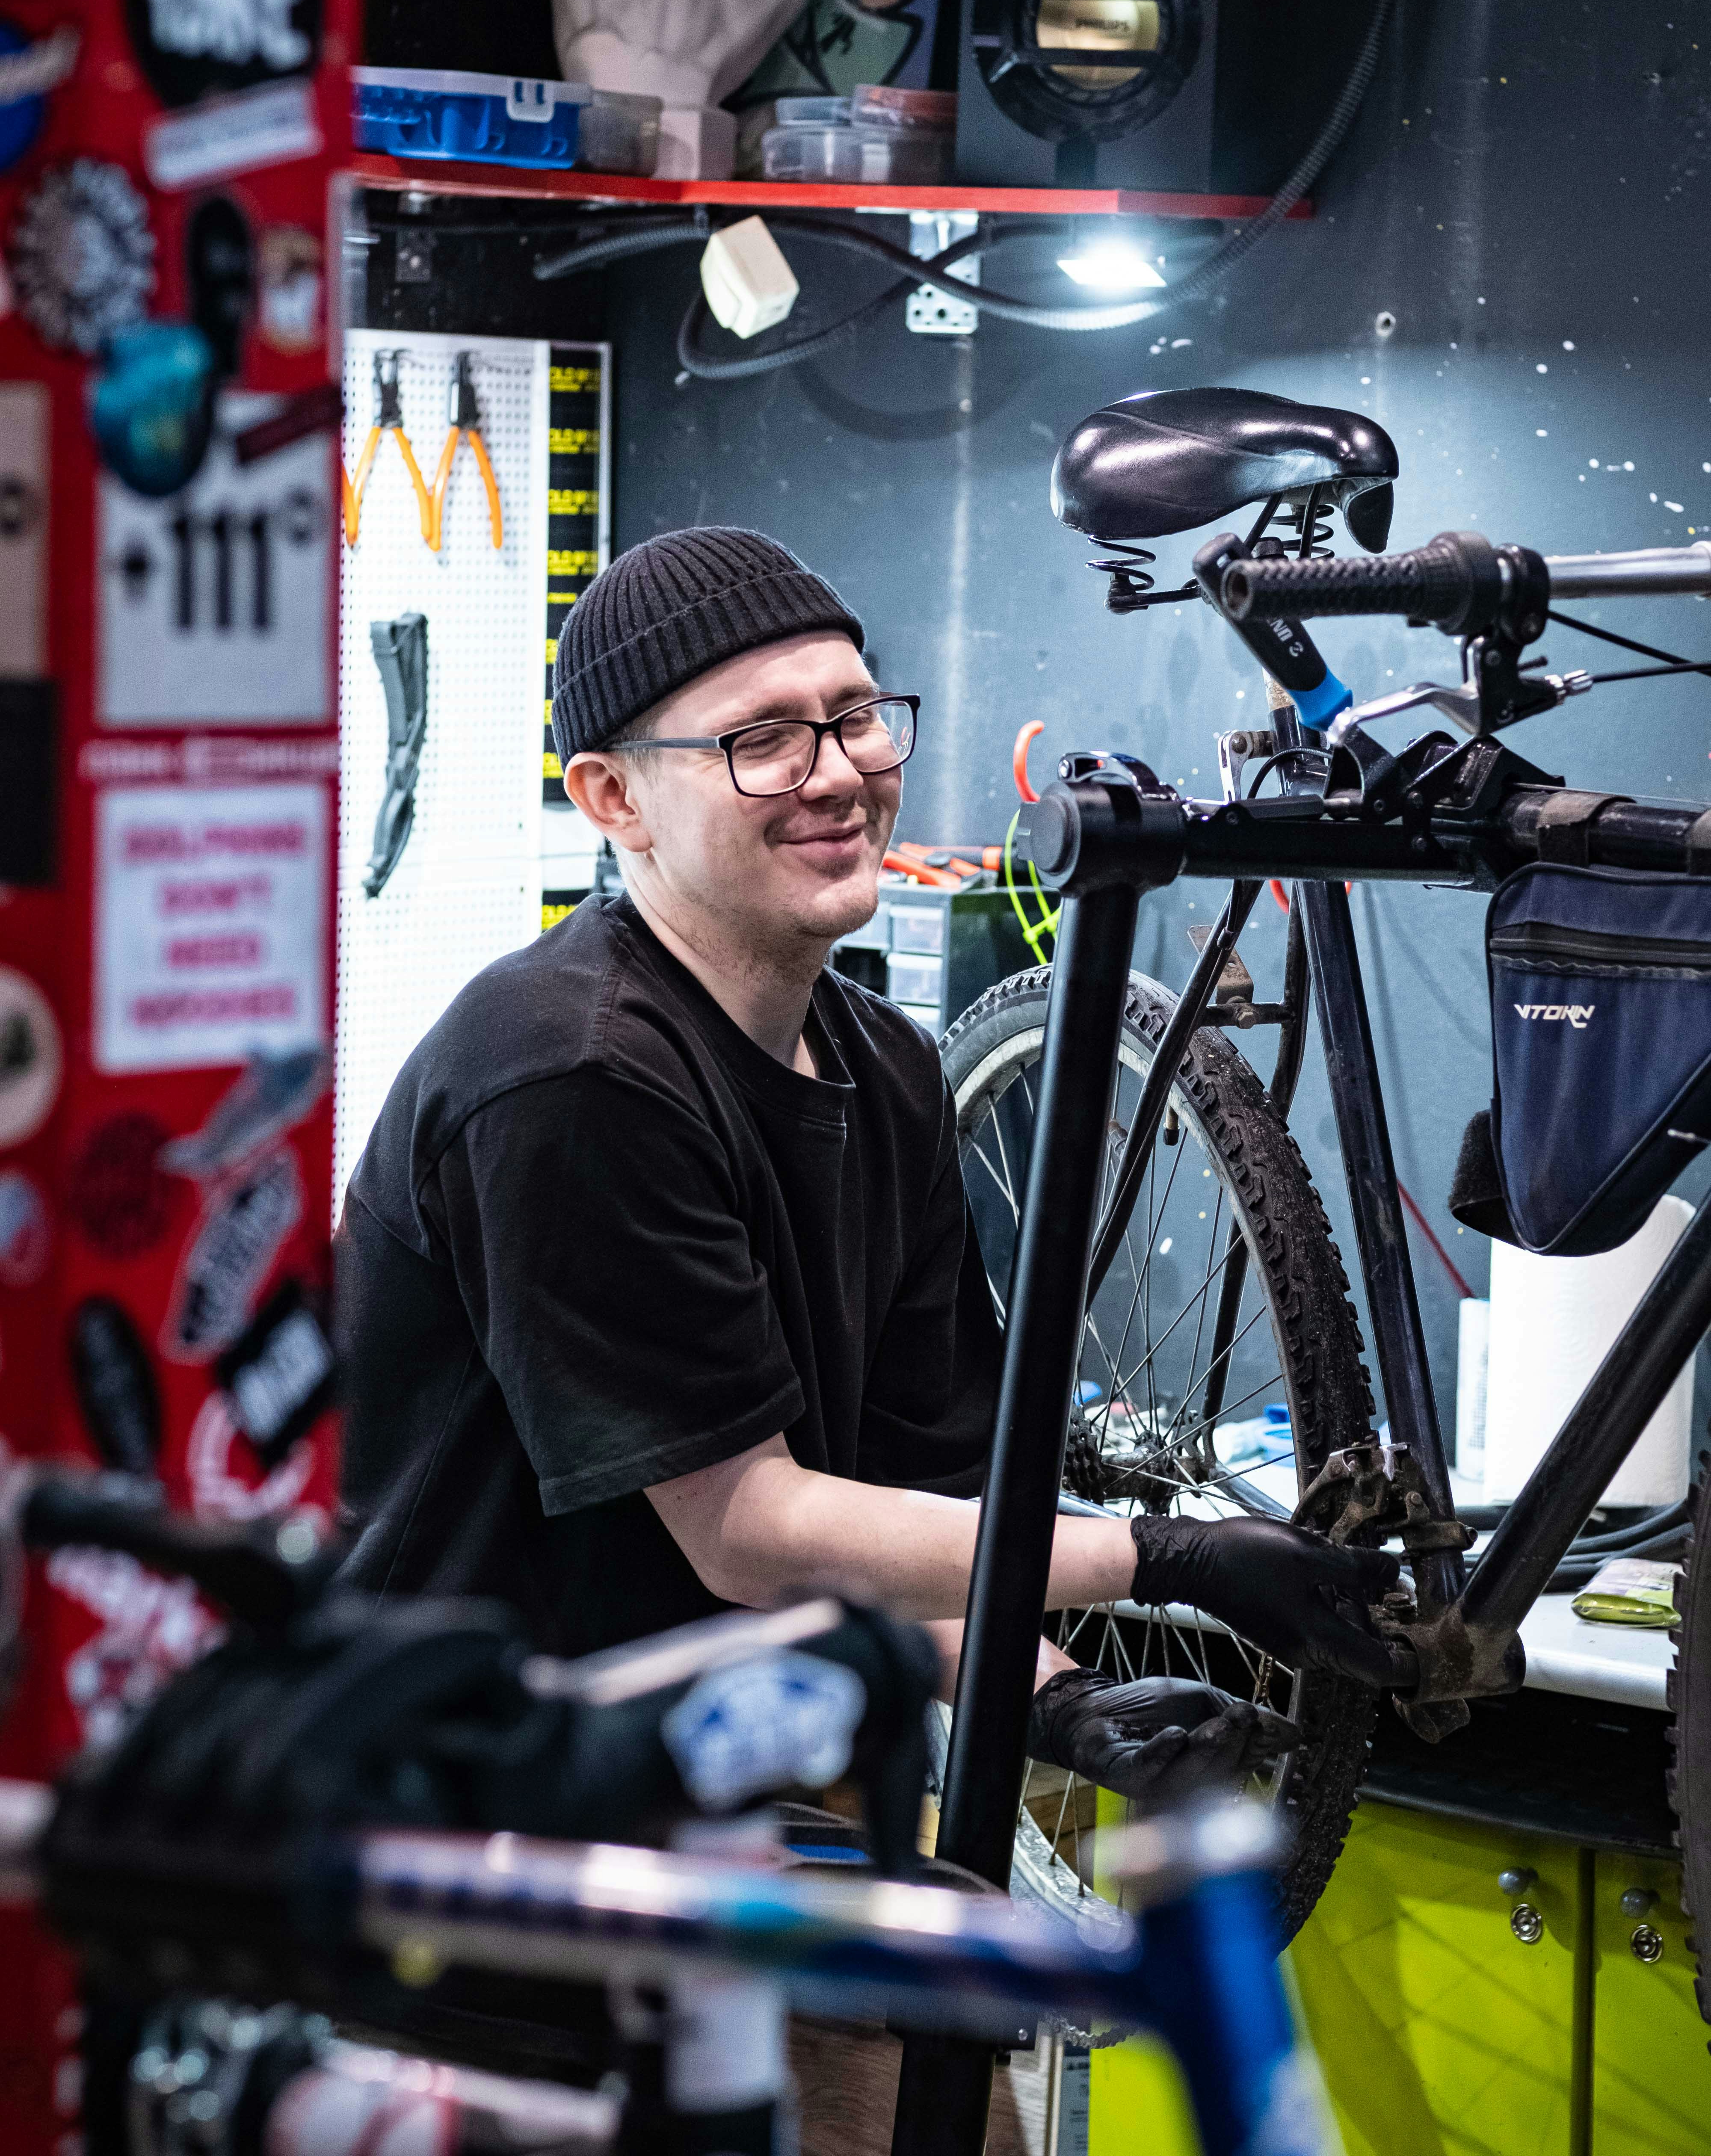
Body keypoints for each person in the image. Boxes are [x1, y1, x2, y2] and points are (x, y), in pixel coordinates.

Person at [335, 525, 1399, 1820]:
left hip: (717, 1795)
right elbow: (748, 1530)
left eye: (855, 717)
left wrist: (1054, 1696)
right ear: (614, 798)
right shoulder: (570, 1074)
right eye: (763, 740)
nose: (836, 774)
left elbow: (903, 1513)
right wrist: (1165, 1557)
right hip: (454, 1822)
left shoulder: (886, 1068)